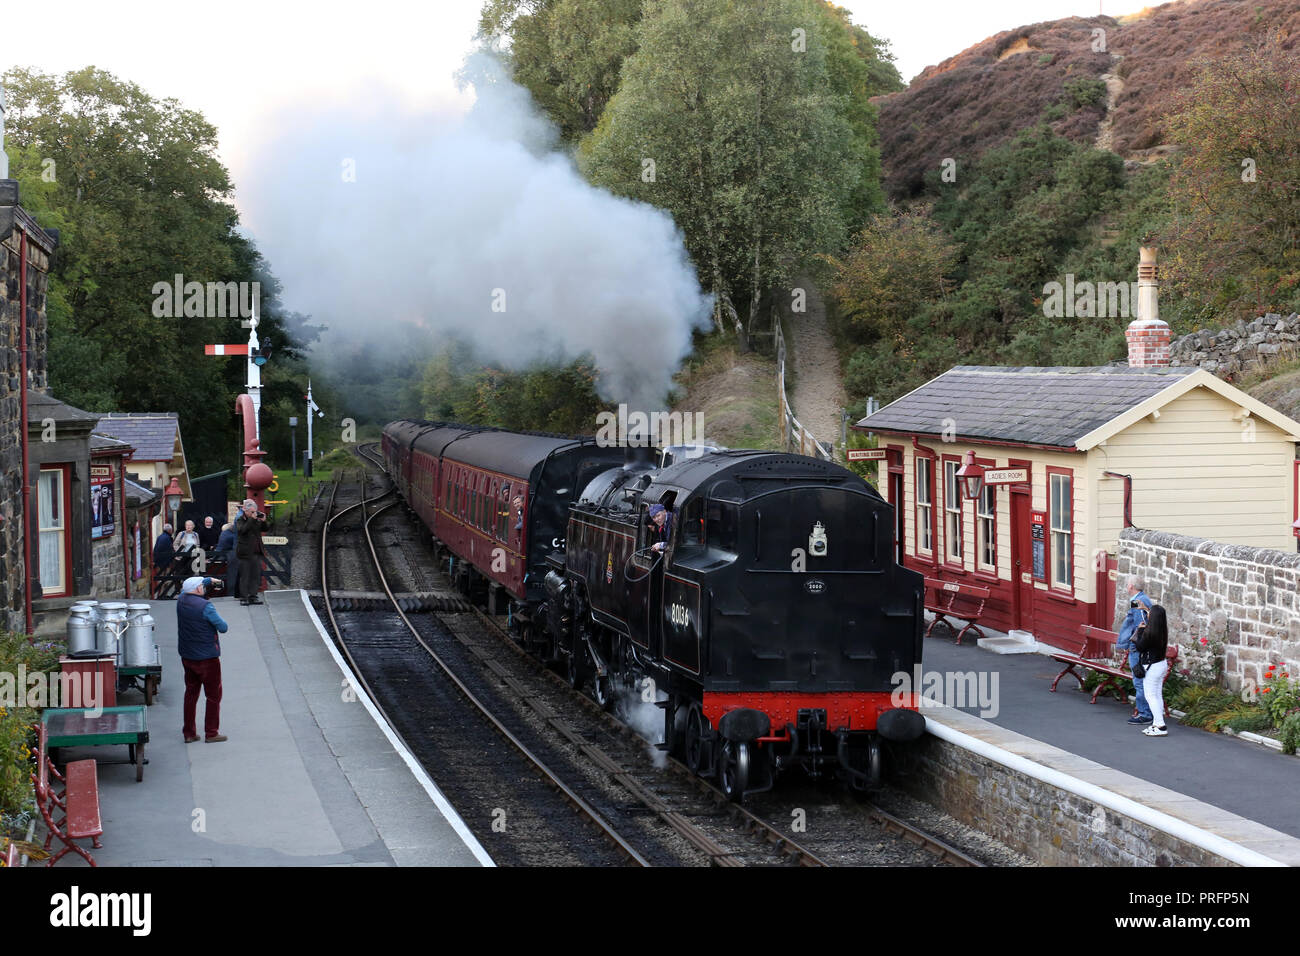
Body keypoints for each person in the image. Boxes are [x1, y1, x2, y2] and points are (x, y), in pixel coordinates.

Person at [177, 576, 230, 743]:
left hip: (188, 655)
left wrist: (208, 579)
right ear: (198, 589)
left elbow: (194, 586)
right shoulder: (206, 607)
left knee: (191, 693)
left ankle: (189, 732)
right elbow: (223, 627)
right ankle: (211, 732)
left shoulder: (181, 600)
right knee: (214, 695)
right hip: (207, 658)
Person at [1116, 576, 1154, 725]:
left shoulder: (1138, 601)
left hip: (1138, 649)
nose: (1126, 587)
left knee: (1139, 680)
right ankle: (1146, 712)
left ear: (1131, 586)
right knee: (1140, 680)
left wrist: (1132, 646)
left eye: (1127, 585)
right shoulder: (1141, 599)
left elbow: (1139, 626)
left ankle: (1145, 714)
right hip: (1139, 648)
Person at [1135, 604, 1170, 737]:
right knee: (1157, 695)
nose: (1148, 614)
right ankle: (1156, 723)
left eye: (1150, 613)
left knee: (1150, 696)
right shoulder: (1161, 630)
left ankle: (1160, 725)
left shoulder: (1150, 633)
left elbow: (1140, 647)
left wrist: (1140, 631)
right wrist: (1145, 608)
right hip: (1161, 664)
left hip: (1152, 667)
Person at [235, 499, 268, 606]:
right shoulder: (240, 519)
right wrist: (251, 520)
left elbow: (265, 529)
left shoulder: (256, 520)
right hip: (245, 553)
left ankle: (253, 596)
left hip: (256, 552)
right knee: (245, 576)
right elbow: (242, 530)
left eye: (255, 511)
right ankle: (244, 597)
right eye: (252, 512)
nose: (254, 513)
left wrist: (263, 521)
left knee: (255, 575)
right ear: (246, 511)